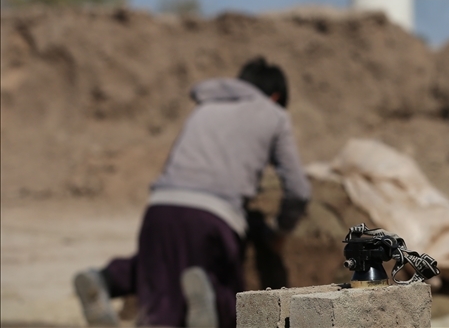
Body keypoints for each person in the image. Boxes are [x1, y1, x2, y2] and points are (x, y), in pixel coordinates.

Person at [73, 57, 312, 327]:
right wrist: (280, 231)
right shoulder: (274, 115)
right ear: (275, 96)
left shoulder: (205, 108)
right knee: (228, 290)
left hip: (161, 208)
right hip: (214, 216)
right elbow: (298, 190)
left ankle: (105, 279)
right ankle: (211, 301)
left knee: (158, 281)